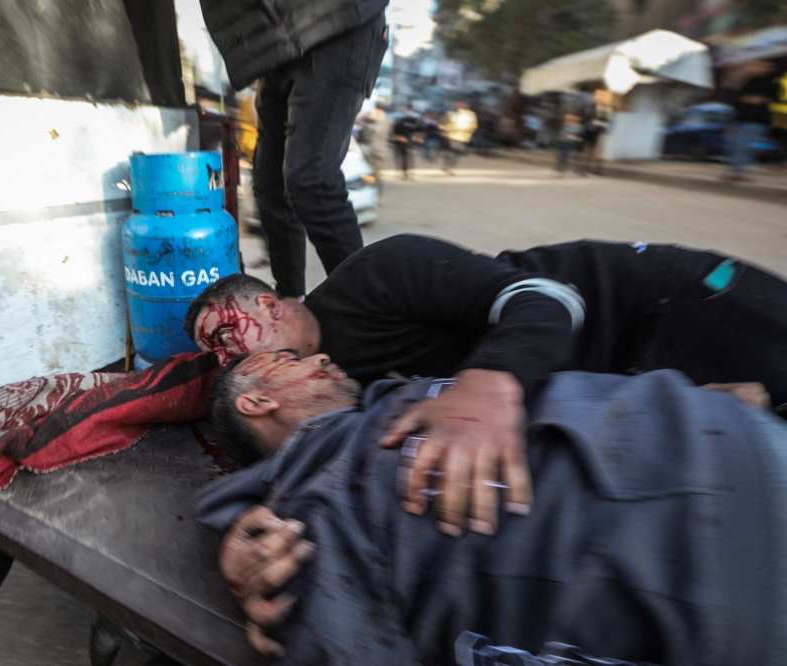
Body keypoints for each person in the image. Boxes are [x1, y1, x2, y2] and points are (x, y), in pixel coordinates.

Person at [186, 234, 787, 552]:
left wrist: (486, 386)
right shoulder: (324, 379)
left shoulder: (377, 273)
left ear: (268, 303)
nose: (229, 359)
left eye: (226, 338)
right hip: (631, 390)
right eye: (217, 357)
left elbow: (548, 301)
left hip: (669, 307)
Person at [197, 350, 787, 663]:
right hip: (724, 588)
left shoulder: (404, 393)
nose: (319, 356)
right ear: (256, 401)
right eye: (286, 359)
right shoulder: (293, 534)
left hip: (731, 441)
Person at [199, 0, 390, 298]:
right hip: (274, 48)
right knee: (268, 187)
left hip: (336, 25)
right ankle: (290, 303)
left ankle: (371, 313)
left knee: (310, 180)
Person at [725, 60, 777, 181]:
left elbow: (761, 100)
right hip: (741, 117)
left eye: (755, 65)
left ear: (766, 67)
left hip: (757, 119)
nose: (751, 68)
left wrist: (748, 99)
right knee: (736, 145)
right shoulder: (747, 81)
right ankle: (735, 170)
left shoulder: (770, 83)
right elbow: (735, 98)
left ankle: (738, 171)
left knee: (745, 146)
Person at [438, 101, 477, 173]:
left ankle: (451, 166)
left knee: (456, 151)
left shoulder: (471, 114)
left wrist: (472, 130)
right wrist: (444, 131)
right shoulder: (450, 113)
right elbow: (443, 122)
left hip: (463, 136)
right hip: (451, 134)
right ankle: (447, 165)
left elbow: (473, 124)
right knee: (451, 150)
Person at [390, 109, 419, 180]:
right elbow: (393, 134)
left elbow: (418, 132)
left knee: (407, 159)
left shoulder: (401, 123)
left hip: (407, 143)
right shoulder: (400, 124)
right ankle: (404, 173)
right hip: (401, 143)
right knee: (403, 159)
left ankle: (407, 173)